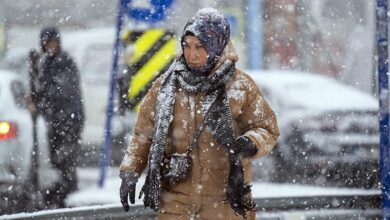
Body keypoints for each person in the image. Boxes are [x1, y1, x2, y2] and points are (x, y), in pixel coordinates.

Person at [119, 8, 279, 220]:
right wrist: (130, 171)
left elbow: (267, 129)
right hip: (176, 204)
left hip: (225, 204)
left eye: (200, 47)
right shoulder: (165, 86)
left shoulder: (239, 86)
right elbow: (143, 134)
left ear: (216, 46)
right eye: (187, 46)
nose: (192, 54)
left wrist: (250, 142)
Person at [31, 26, 84, 208]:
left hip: (68, 121)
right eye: (47, 43)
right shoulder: (46, 63)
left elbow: (64, 91)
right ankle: (58, 198)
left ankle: (68, 197)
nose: (51, 46)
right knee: (55, 162)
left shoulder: (65, 62)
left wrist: (46, 93)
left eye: (53, 42)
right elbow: (41, 93)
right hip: (55, 122)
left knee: (66, 161)